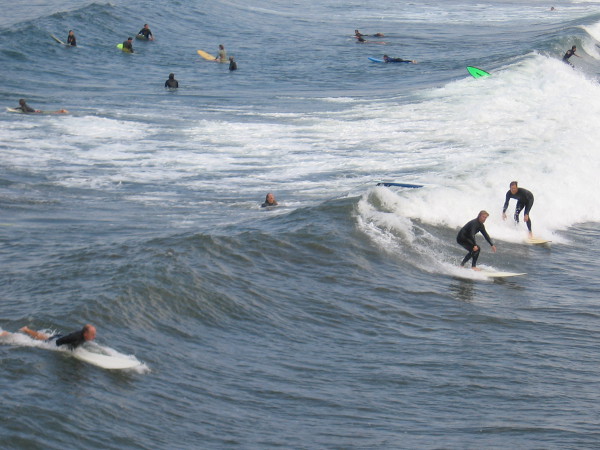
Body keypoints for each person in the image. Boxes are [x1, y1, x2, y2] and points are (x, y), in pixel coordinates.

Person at [17, 324, 96, 350]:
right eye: (92, 334)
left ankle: (27, 329)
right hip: (56, 340)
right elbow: (58, 342)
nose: (94, 337)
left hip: (61, 337)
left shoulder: (83, 336)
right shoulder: (76, 337)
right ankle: (26, 330)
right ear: (86, 334)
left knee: (43, 337)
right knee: (44, 339)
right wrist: (54, 347)